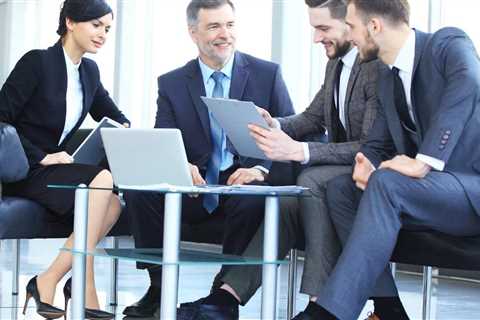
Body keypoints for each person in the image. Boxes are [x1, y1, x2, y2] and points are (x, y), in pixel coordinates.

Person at [176, 1, 386, 319]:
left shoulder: (374, 67)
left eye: (323, 29)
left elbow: (371, 145)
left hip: (361, 174)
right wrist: (271, 123)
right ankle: (227, 296)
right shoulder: (337, 64)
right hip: (335, 172)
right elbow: (312, 119)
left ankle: (321, 304)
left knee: (309, 182)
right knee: (285, 205)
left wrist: (299, 152)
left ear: (350, 24)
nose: (317, 38)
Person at [122, 0, 294, 318]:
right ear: (193, 32)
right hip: (195, 187)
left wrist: (259, 169)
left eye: (229, 25)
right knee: (139, 190)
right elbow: (165, 140)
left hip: (240, 184)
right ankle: (158, 287)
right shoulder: (172, 83)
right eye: (214, 26)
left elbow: (289, 136)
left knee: (252, 197)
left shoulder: (266, 75)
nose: (224, 34)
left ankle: (222, 295)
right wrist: (178, 165)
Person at [314, 0, 480, 319]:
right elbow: (378, 142)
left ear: (374, 26)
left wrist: (425, 160)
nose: (348, 35)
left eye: (350, 26)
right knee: (341, 191)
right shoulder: (388, 78)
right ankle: (389, 308)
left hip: (469, 190)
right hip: (430, 196)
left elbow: (469, 84)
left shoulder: (448, 43)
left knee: (388, 184)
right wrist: (365, 162)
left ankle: (331, 313)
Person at [0, 0, 130, 319]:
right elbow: (2, 118)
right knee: (102, 180)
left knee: (113, 203)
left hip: (57, 171)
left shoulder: (88, 71)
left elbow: (113, 115)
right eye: (96, 25)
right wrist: (42, 156)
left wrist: (126, 129)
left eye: (108, 29)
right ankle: (80, 286)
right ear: (71, 23)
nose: (103, 34)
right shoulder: (37, 63)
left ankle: (50, 278)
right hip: (28, 170)